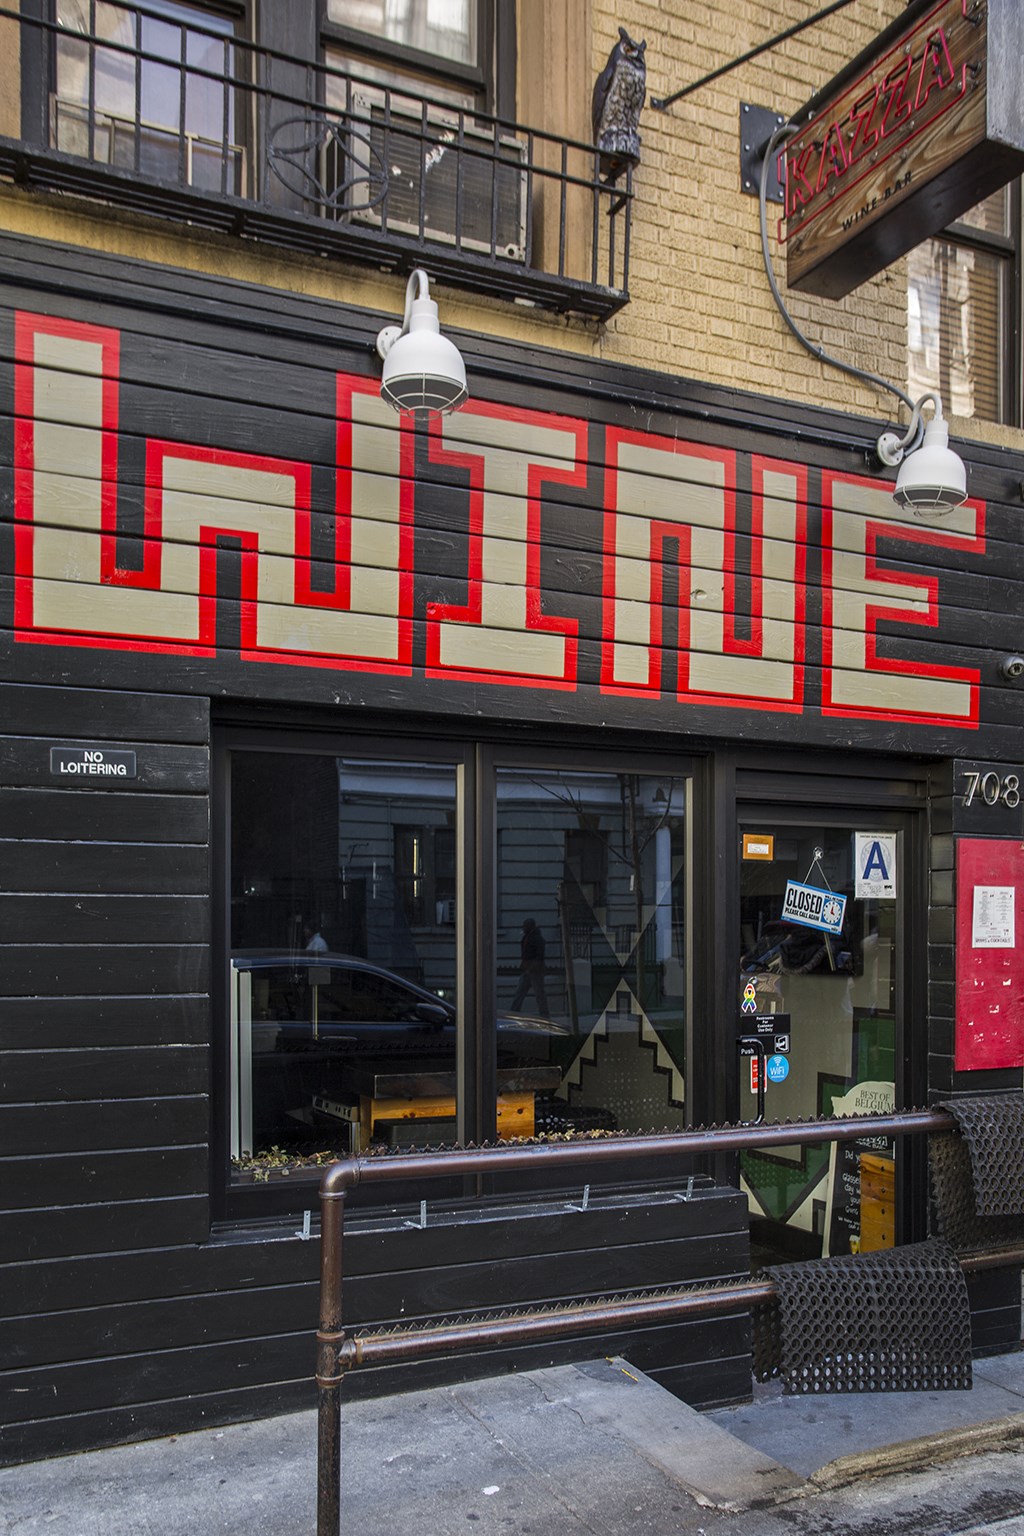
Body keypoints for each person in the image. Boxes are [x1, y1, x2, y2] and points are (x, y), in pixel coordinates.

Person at [510, 917, 549, 1015]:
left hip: (535, 970)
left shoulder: (535, 938)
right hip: (528, 969)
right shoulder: (530, 937)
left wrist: (530, 966)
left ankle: (544, 1014)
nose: (523, 928)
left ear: (529, 926)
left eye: (525, 926)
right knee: (521, 992)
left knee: (538, 994)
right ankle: (514, 1012)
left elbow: (539, 956)